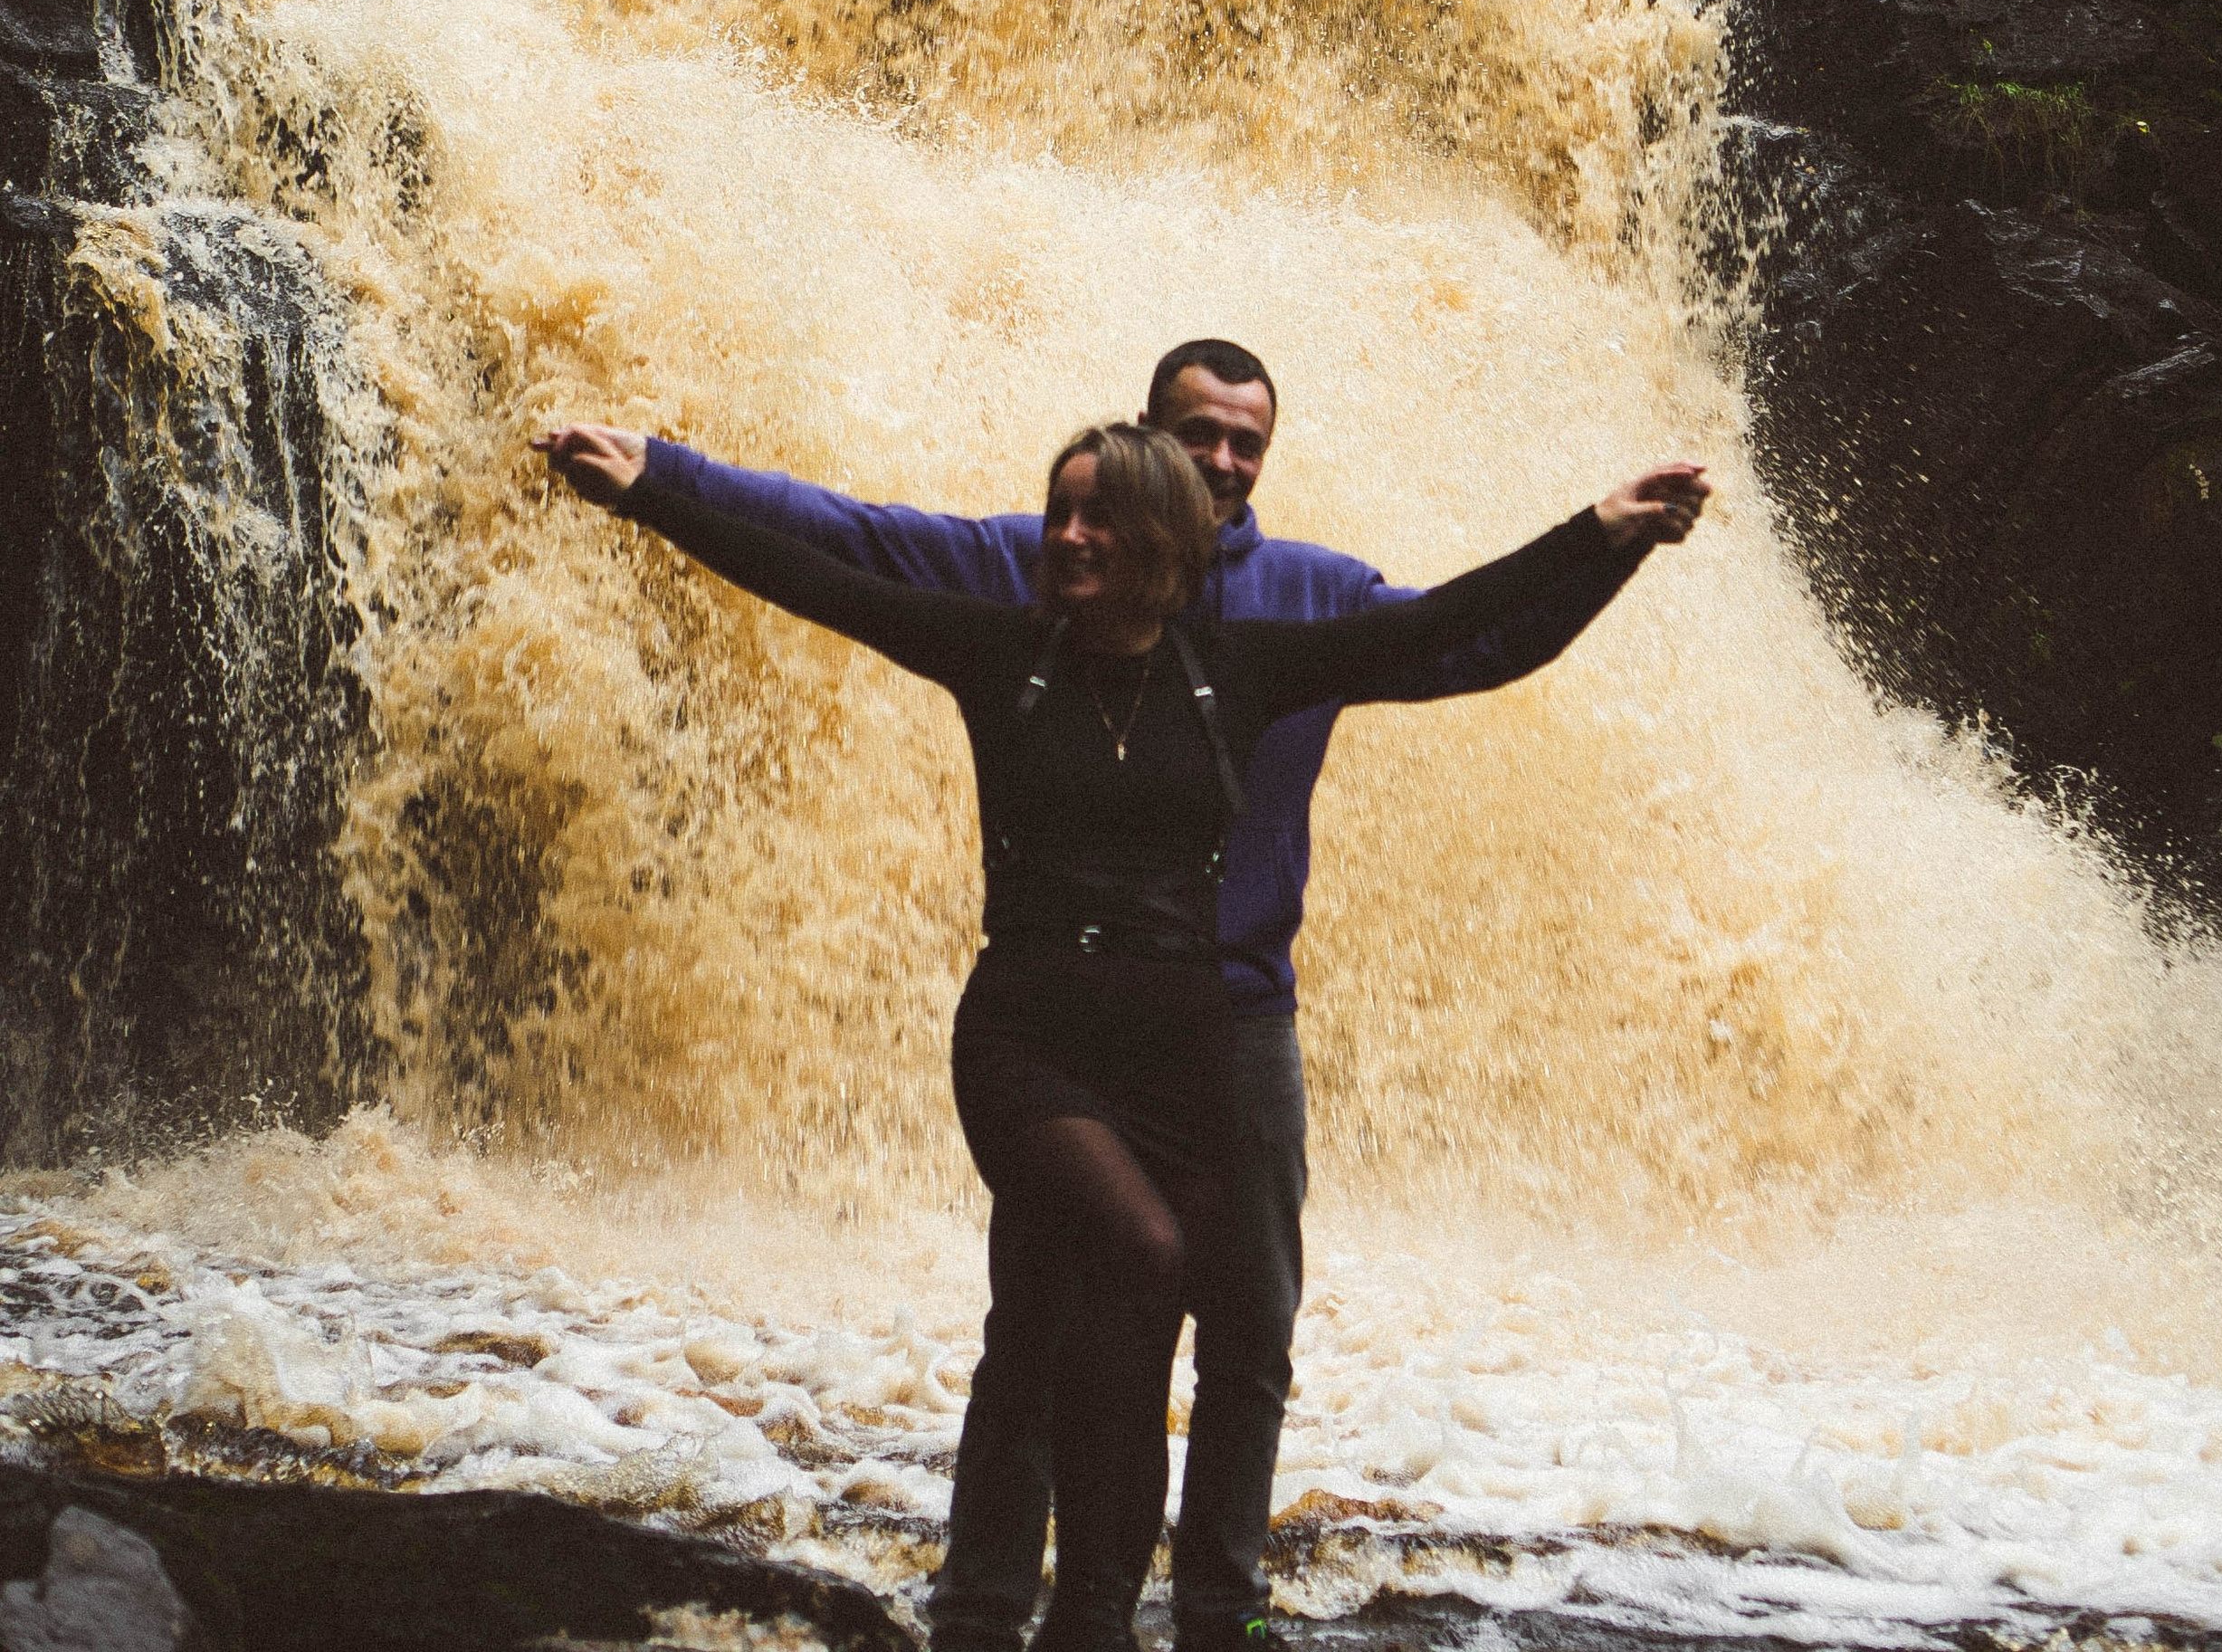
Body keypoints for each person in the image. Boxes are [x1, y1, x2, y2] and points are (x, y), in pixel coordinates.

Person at [538, 359, 1711, 1652]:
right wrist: (660, 489)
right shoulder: (1008, 619)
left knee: (1191, 1326)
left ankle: (1132, 1615)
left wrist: (1605, 538)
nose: (1081, 532)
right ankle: (984, 1611)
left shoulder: (1261, 645)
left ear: (1163, 533)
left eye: (1241, 442)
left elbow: (1458, 632)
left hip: (1203, 1039)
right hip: (1038, 1040)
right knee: (1086, 1291)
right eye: (1077, 508)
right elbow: (831, 564)